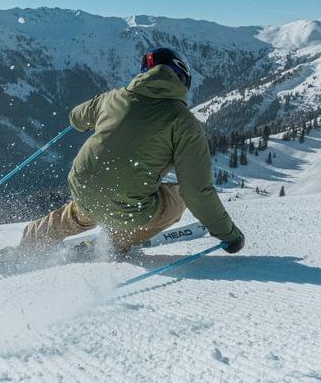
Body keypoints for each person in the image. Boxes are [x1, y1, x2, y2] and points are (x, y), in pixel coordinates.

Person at [19, 47, 245, 255]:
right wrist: (229, 235)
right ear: (183, 78)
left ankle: (34, 238)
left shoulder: (113, 98)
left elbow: (76, 117)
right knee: (178, 197)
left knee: (87, 207)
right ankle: (116, 242)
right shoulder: (184, 123)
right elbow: (197, 191)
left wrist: (95, 117)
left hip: (82, 186)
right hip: (128, 206)